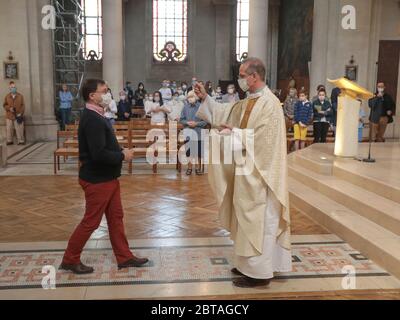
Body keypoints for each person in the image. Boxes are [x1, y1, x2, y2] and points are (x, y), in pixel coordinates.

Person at [194, 57, 292, 288]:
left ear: (254, 77)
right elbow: (225, 113)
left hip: (261, 175)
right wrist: (205, 98)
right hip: (245, 170)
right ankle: (246, 264)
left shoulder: (270, 104)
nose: (239, 80)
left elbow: (264, 142)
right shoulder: (248, 101)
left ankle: (259, 273)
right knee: (244, 217)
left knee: (260, 221)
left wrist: (234, 133)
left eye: (242, 75)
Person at [60, 79, 148, 274]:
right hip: (97, 179)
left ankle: (124, 257)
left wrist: (119, 149)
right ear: (93, 95)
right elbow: (98, 154)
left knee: (116, 218)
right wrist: (122, 155)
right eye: (104, 91)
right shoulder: (92, 118)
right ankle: (70, 259)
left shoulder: (97, 115)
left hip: (108, 178)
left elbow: (103, 145)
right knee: (91, 221)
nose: (107, 94)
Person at [180, 91, 208, 176]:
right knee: (189, 152)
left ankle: (197, 168)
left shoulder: (201, 107)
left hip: (198, 132)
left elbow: (206, 121)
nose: (190, 99)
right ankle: (189, 168)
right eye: (188, 97)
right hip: (188, 132)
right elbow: (181, 119)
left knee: (198, 152)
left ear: (196, 97)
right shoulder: (185, 107)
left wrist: (196, 124)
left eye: (191, 97)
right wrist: (187, 123)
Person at [3, 81, 25, 145]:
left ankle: (21, 141)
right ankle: (9, 141)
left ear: (16, 88)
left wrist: (20, 113)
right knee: (9, 129)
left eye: (14, 87)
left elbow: (23, 105)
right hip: (9, 115)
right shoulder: (7, 96)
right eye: (12, 87)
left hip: (18, 115)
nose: (13, 88)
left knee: (19, 128)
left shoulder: (20, 96)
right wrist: (9, 108)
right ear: (10, 88)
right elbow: (4, 105)